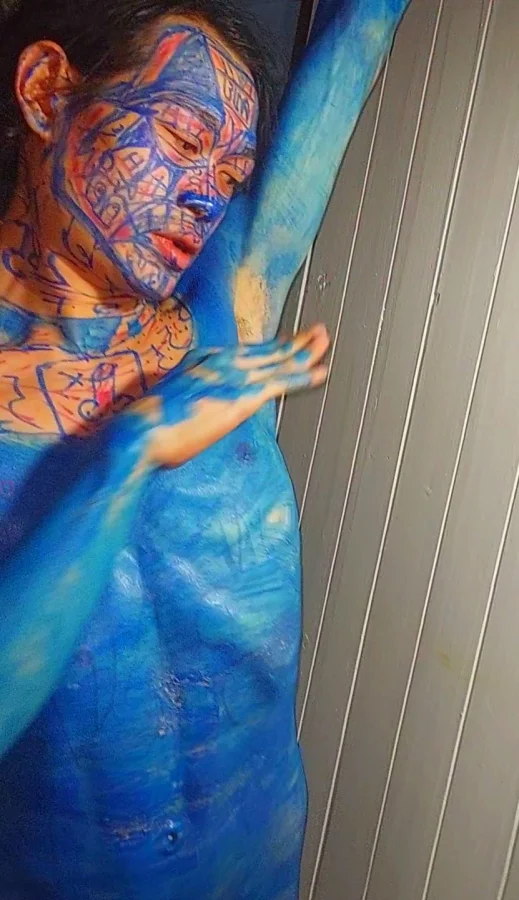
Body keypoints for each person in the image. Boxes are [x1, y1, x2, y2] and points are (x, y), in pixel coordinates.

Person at [0, 0, 409, 897]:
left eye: (230, 173)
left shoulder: (231, 293)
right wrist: (130, 454)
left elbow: (364, 26)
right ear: (47, 92)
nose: (206, 194)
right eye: (184, 139)